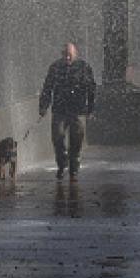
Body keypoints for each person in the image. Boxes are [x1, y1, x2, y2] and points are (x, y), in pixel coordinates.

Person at [39, 43, 96, 181]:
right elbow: (47, 87)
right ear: (62, 54)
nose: (68, 57)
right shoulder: (55, 67)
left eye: (70, 54)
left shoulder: (84, 67)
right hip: (60, 109)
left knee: (76, 139)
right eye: (65, 54)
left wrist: (91, 108)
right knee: (57, 136)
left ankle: (74, 165)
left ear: (76, 53)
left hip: (78, 109)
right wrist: (43, 106)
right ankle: (61, 162)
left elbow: (91, 88)